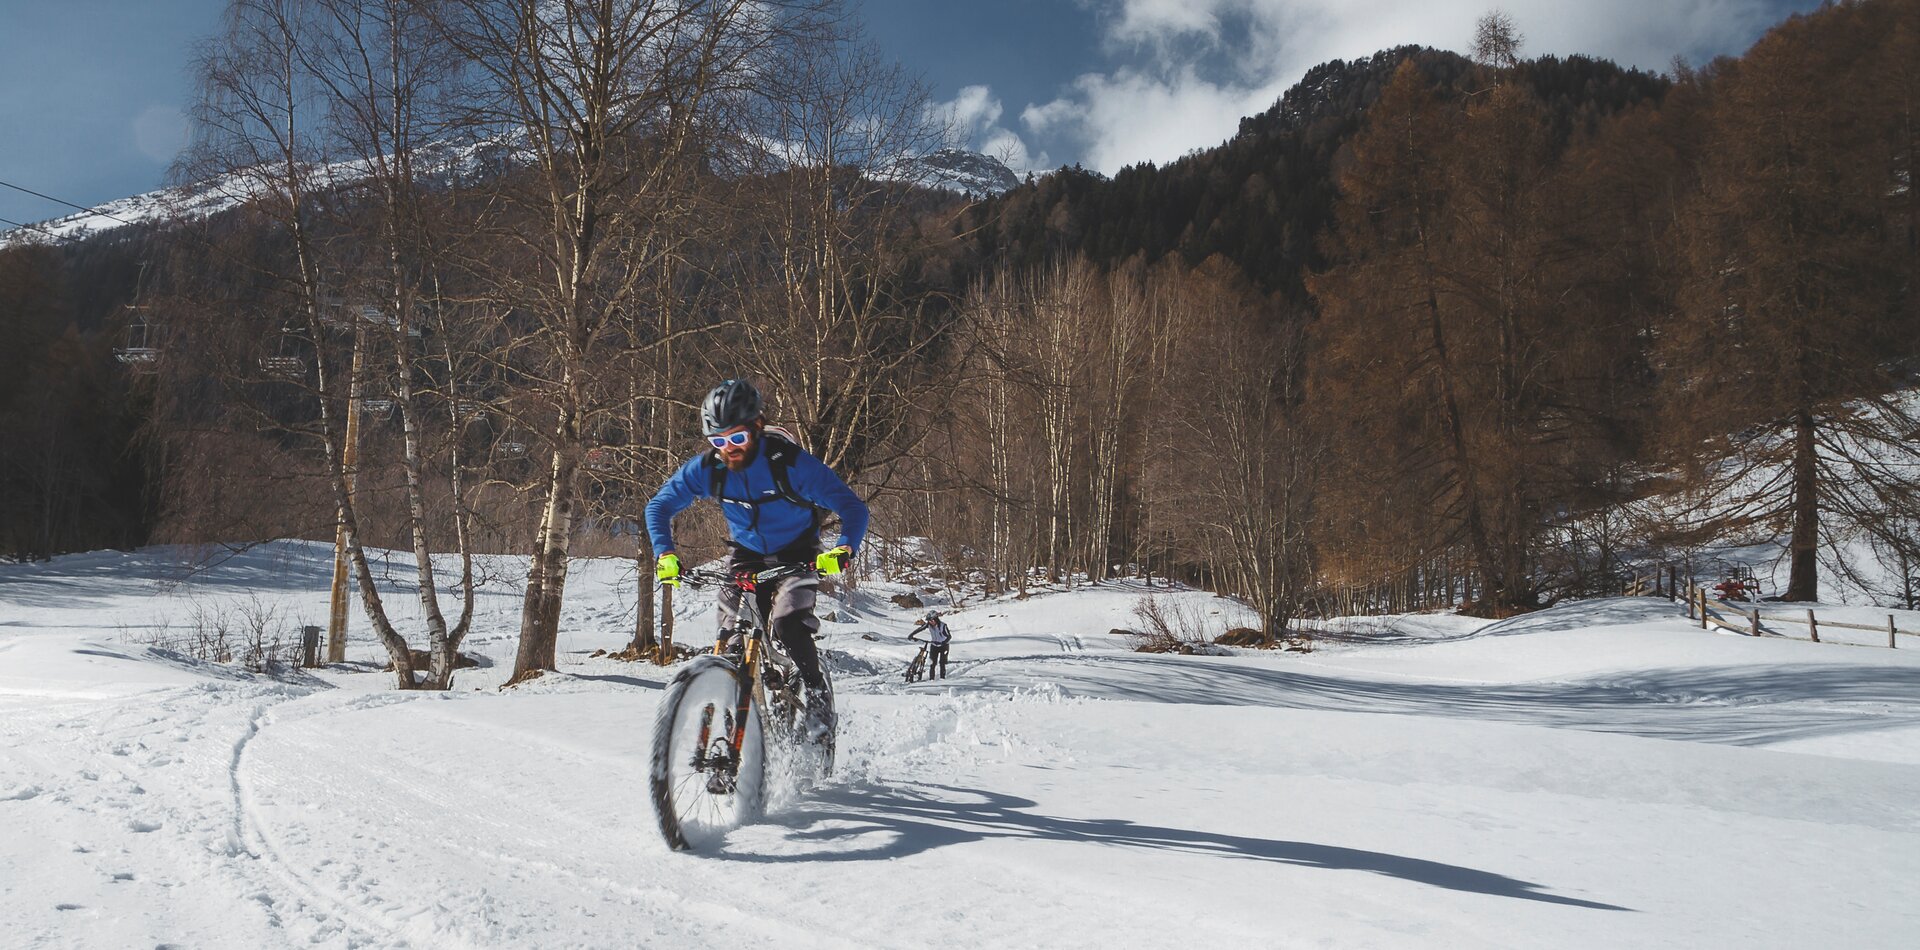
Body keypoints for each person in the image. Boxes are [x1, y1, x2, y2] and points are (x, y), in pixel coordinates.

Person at [645, 379, 869, 740]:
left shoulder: (792, 466)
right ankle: (738, 736)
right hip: (746, 557)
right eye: (718, 442)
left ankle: (816, 694)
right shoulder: (710, 469)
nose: (728, 450)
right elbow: (659, 506)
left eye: (737, 438)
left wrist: (843, 549)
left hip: (797, 554)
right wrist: (665, 554)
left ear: (757, 427)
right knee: (729, 637)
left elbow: (852, 507)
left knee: (787, 624)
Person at [908, 610, 952, 681]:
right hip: (934, 645)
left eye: (931, 620)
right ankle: (931, 679)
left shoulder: (943, 626)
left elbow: (949, 637)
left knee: (942, 663)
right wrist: (911, 635)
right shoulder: (929, 624)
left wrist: (942, 642)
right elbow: (920, 629)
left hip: (944, 646)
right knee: (932, 663)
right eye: (929, 621)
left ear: (935, 619)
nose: (930, 622)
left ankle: (942, 679)